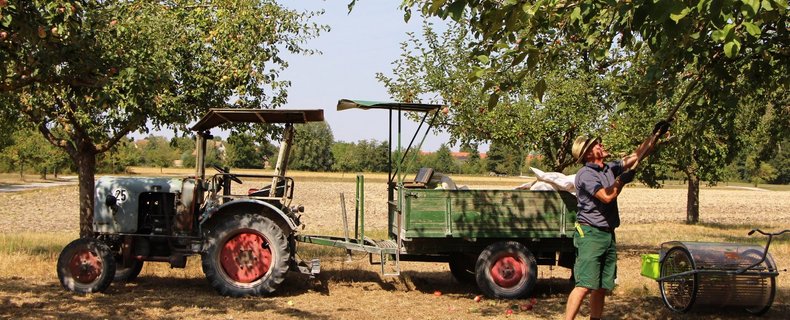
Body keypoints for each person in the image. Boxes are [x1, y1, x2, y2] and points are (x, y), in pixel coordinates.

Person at [564, 121, 670, 320]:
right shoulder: (586, 174)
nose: (601, 145)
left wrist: (654, 135)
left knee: (602, 286)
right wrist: (621, 180)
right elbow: (606, 196)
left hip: (607, 233)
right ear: (587, 154)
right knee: (585, 285)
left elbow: (637, 155)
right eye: (596, 145)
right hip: (590, 234)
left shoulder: (608, 168)